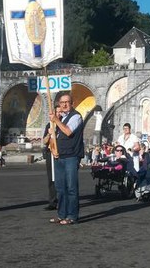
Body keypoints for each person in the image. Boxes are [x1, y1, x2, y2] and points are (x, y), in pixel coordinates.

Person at [50, 92, 83, 226]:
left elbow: (68, 131)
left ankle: (72, 216)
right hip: (60, 156)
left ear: (72, 103)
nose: (64, 104)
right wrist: (54, 150)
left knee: (71, 188)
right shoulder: (61, 118)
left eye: (67, 102)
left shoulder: (76, 117)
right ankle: (61, 214)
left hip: (71, 156)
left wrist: (56, 120)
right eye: (61, 102)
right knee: (60, 188)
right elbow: (54, 139)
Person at [42, 104, 62, 211]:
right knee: (51, 178)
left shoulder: (64, 124)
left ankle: (63, 200)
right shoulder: (49, 125)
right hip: (51, 152)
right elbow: (44, 141)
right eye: (57, 112)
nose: (58, 114)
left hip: (61, 153)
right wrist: (49, 134)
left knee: (61, 178)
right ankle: (53, 201)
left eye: (60, 112)